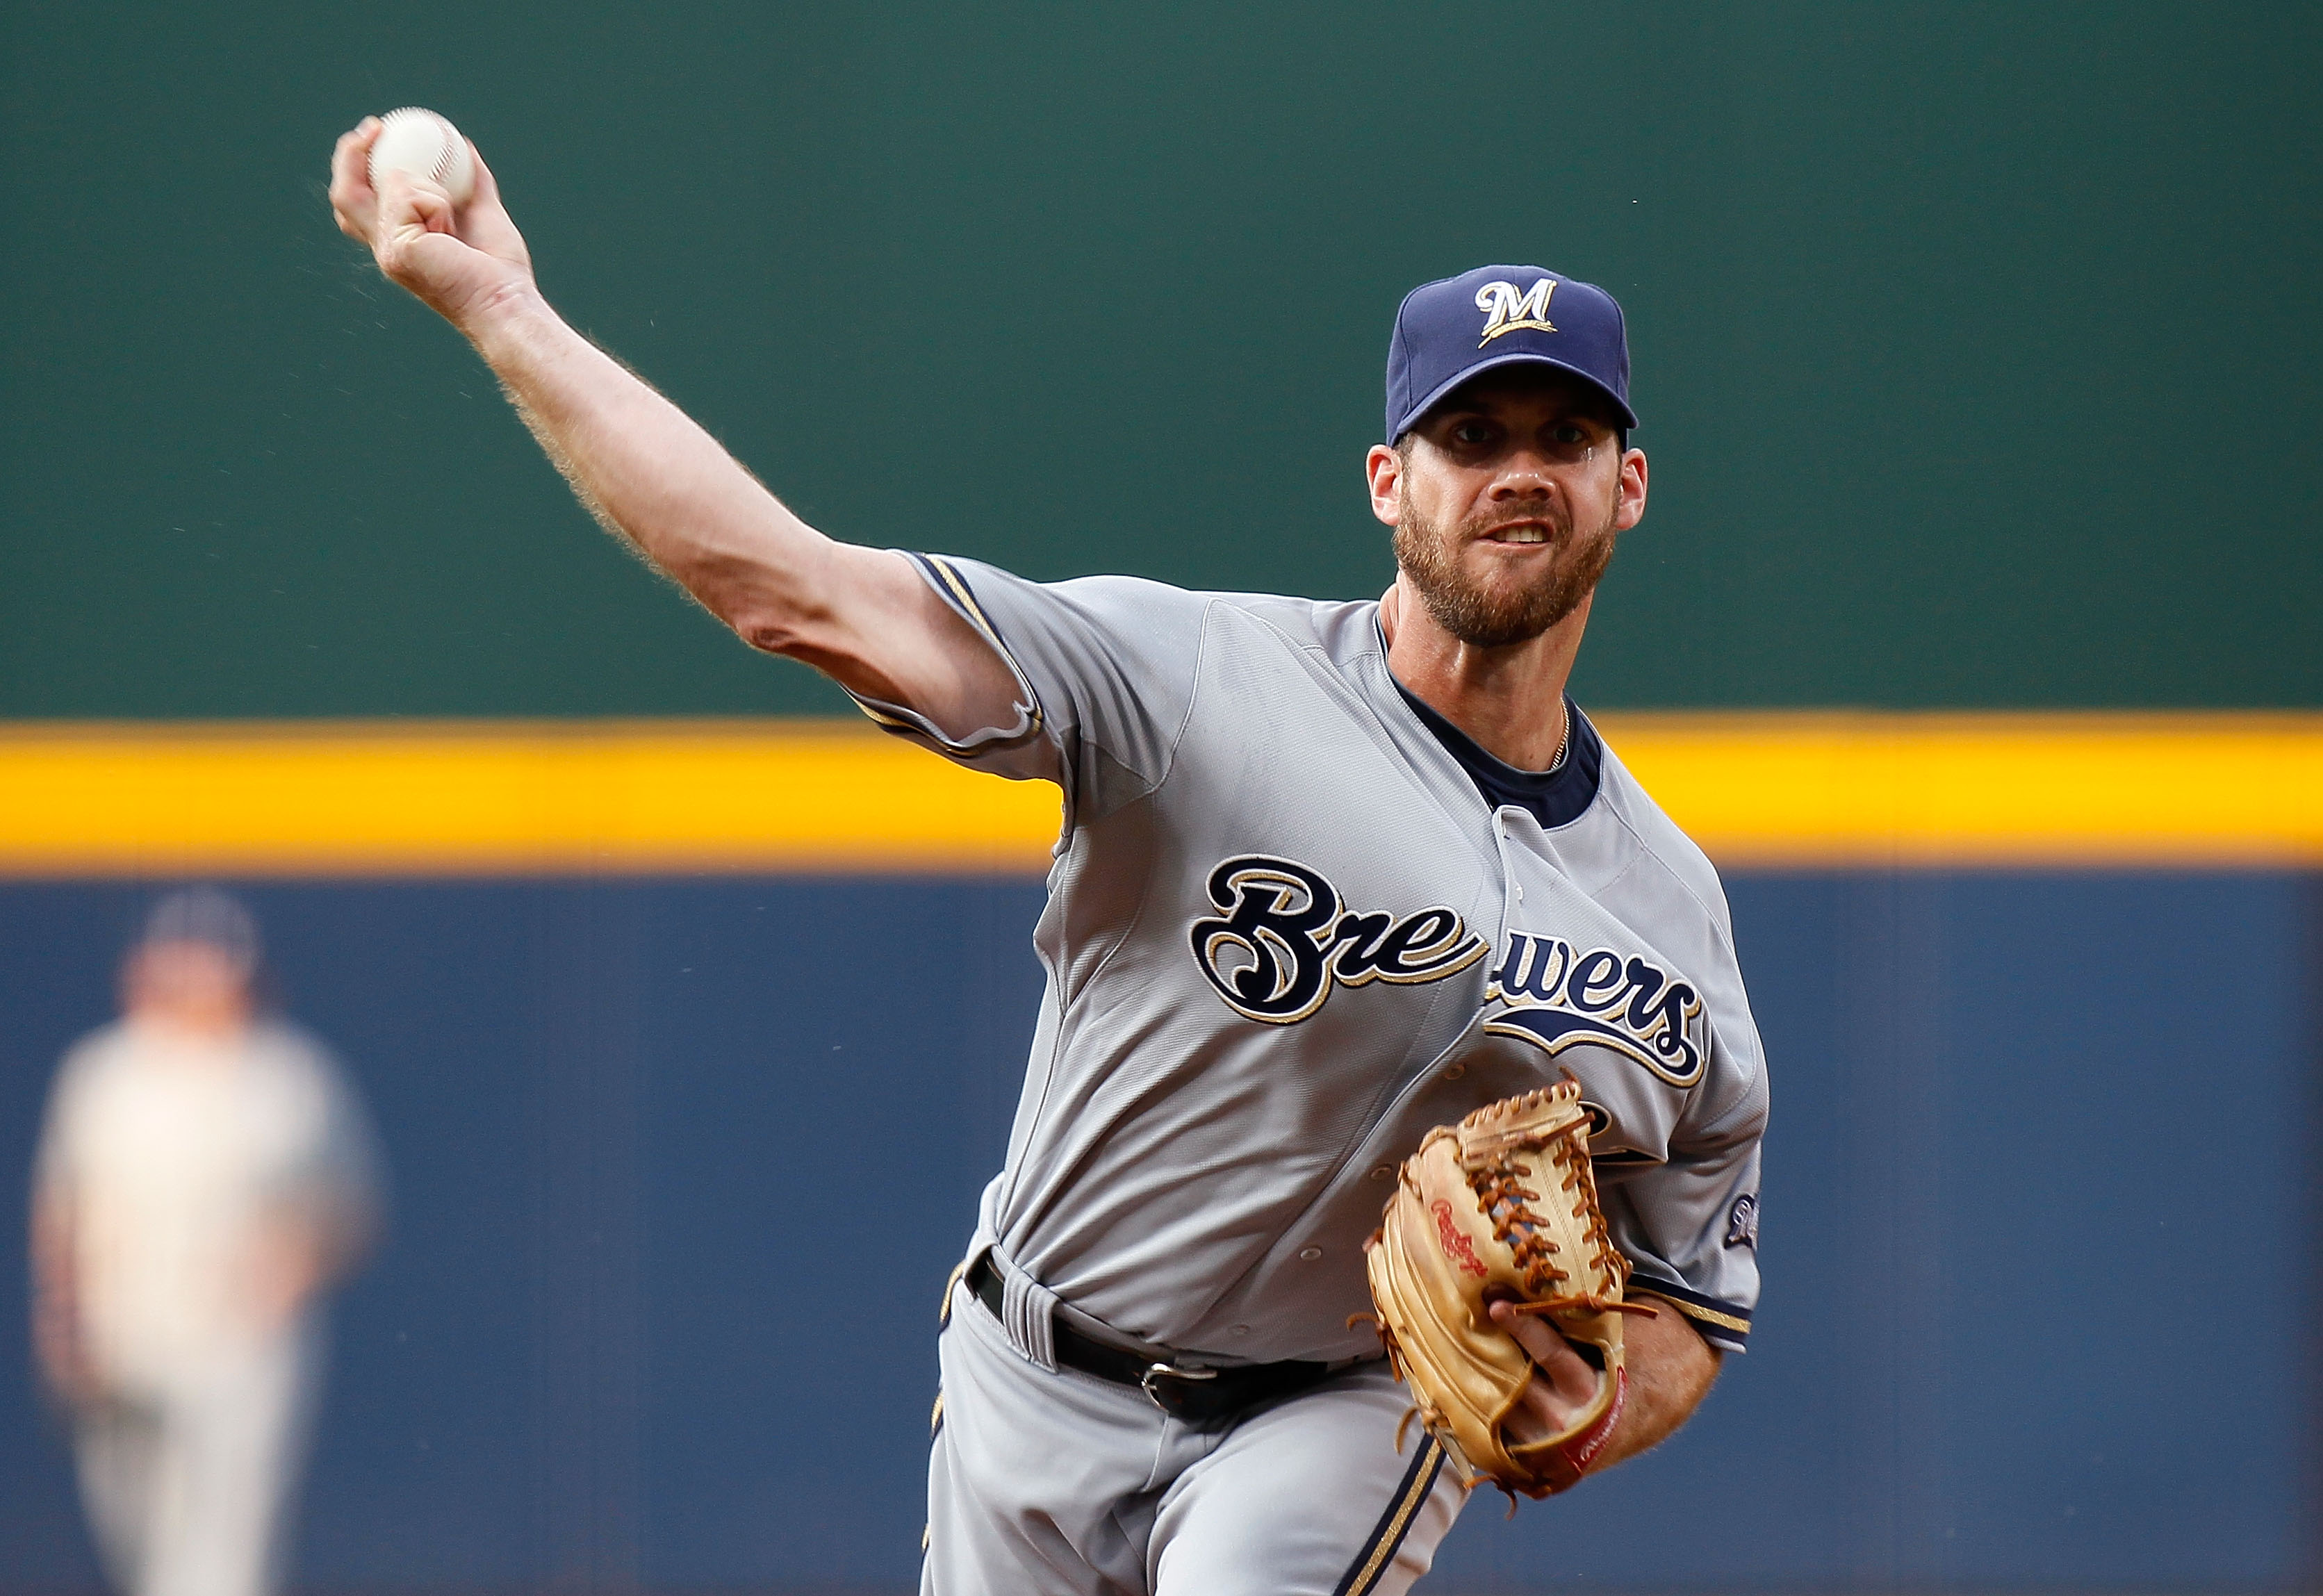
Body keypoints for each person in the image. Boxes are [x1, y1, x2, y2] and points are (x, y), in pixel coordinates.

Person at [329, 120, 1767, 1595]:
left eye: (1563, 439)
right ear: (1389, 483)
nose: (1518, 471)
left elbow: (1691, 1293)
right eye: (1472, 437)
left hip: (1337, 1410)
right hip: (1034, 1366)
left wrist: (1595, 1406)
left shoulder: (1668, 914)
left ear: (1629, 481)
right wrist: (507, 311)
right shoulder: (1194, 677)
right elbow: (793, 590)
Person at [31, 889, 381, 1596]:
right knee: (137, 1537)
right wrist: (64, 1316)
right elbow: (62, 1205)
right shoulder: (104, 1073)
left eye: (210, 968)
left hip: (240, 1336)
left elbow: (352, 1205)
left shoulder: (288, 1077)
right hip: (125, 1326)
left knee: (225, 1548)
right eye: (177, 968)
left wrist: (293, 1267)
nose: (194, 986)